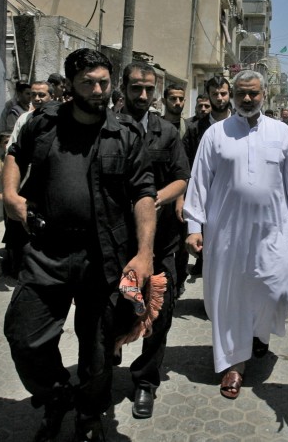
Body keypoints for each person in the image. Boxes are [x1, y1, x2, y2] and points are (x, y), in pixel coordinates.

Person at [2, 48, 156, 441]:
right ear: (70, 84)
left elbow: (142, 194)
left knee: (100, 349)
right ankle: (55, 397)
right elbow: (15, 155)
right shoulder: (43, 123)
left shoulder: (125, 133)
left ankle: (89, 414)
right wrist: (10, 194)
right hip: (47, 250)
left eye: (104, 82)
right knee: (25, 337)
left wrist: (143, 254)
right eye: (88, 82)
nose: (98, 90)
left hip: (103, 256)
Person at [183, 69, 288, 400]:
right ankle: (233, 365)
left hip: (273, 230)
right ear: (232, 94)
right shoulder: (216, 134)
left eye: (253, 93)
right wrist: (194, 227)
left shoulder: (282, 134)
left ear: (264, 95)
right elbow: (199, 182)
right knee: (230, 298)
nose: (246, 99)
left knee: (278, 291)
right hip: (226, 231)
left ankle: (259, 333)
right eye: (241, 93)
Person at [117, 62, 190, 419]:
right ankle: (105, 363)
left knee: (160, 313)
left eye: (149, 89)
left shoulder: (167, 132)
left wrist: (151, 200)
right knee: (111, 309)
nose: (143, 95)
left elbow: (181, 178)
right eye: (136, 88)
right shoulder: (107, 128)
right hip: (115, 242)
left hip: (162, 242)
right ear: (123, 88)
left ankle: (146, 381)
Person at [181, 76, 232, 280]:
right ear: (208, 96)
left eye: (223, 93)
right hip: (205, 195)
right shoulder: (195, 129)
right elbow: (185, 164)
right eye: (215, 94)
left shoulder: (241, 126)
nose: (219, 98)